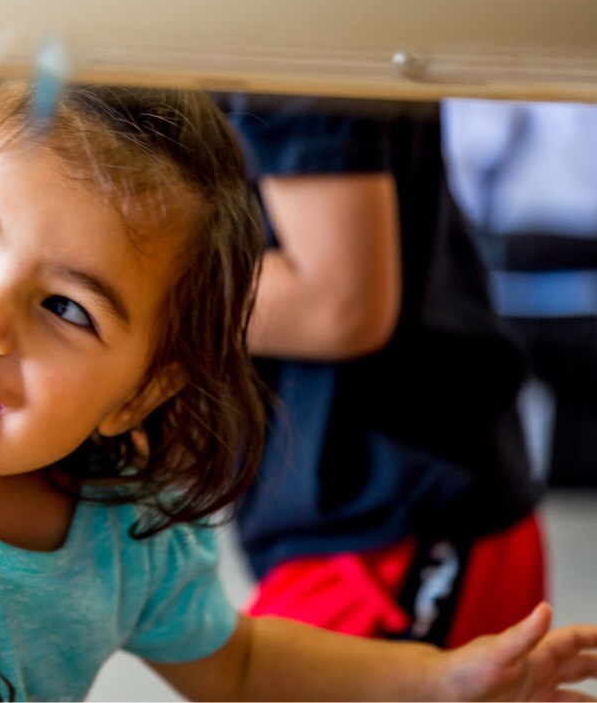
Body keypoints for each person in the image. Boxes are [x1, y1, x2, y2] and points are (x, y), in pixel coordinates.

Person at [0, 79, 597, 701]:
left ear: (138, 393)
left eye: (67, 307)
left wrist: (434, 679)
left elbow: (244, 666)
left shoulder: (120, 534)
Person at [222, 93, 547, 649]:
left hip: (398, 511)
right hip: (353, 505)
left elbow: (337, 303)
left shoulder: (281, 29)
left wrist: (126, 285)